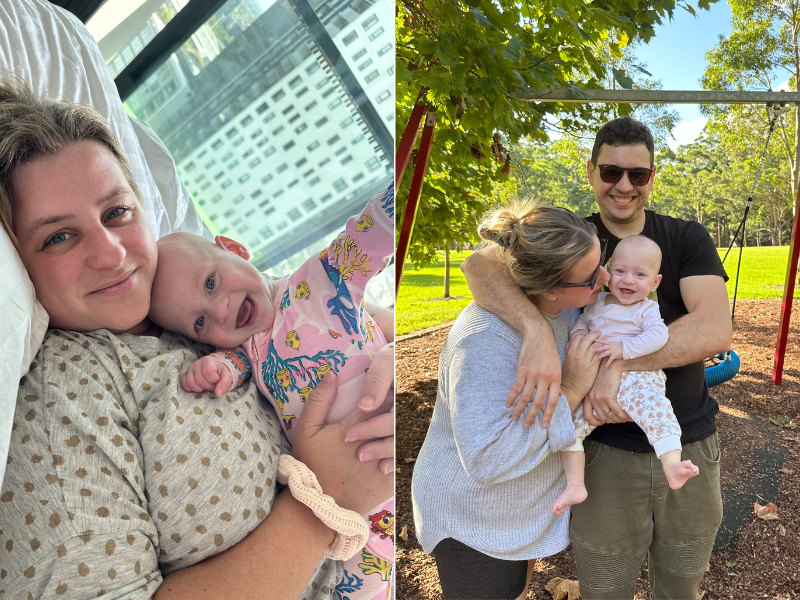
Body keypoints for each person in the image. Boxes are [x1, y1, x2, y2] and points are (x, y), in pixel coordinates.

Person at [0, 76, 393, 599]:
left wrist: (385, 356)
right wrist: (322, 506)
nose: (112, 254)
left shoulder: (197, 314)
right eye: (58, 236)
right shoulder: (66, 391)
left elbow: (355, 313)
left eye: (116, 212)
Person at [462, 116, 731, 599]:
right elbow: (479, 263)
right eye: (610, 172)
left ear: (652, 177)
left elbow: (713, 329)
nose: (623, 186)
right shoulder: (573, 239)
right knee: (604, 587)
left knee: (682, 584)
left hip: (685, 438)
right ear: (591, 173)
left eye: (638, 175)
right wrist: (536, 332)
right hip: (603, 451)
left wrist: (617, 367)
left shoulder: (684, 238)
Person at [146, 187, 395, 599]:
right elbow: (239, 366)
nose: (221, 310)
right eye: (201, 323)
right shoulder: (242, 348)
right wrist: (216, 368)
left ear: (234, 248)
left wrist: (396, 197)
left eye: (211, 283)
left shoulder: (317, 282)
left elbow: (367, 236)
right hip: (352, 513)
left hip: (387, 452)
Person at [411, 201, 608, 600]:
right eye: (590, 278)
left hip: (513, 514)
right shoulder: (484, 340)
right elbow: (488, 458)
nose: (604, 278)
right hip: (475, 526)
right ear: (548, 289)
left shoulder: (559, 311)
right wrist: (570, 391)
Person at [552, 234, 698, 518]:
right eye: (620, 271)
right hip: (594, 382)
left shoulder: (646, 309)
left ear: (655, 283)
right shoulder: (599, 302)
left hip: (637, 378)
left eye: (639, 274)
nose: (628, 280)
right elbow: (582, 322)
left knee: (657, 412)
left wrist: (623, 349)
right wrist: (580, 334)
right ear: (608, 272)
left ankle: (672, 466)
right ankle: (575, 485)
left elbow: (659, 336)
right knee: (567, 430)